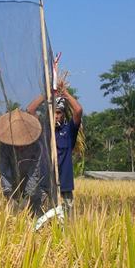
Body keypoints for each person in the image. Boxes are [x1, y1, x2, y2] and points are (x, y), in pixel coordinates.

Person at [0, 107, 47, 216]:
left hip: (31, 180)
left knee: (34, 206)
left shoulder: (36, 147)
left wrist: (28, 196)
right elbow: (4, 170)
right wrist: (8, 191)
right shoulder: (5, 147)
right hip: (13, 179)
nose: (19, 147)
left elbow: (34, 172)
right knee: (12, 213)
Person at [53, 85, 83, 214]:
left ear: (64, 114)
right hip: (48, 185)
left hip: (65, 185)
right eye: (53, 112)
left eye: (58, 112)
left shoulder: (68, 130)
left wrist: (65, 93)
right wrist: (46, 95)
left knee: (66, 221)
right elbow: (30, 110)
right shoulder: (45, 131)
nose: (56, 116)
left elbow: (78, 110)